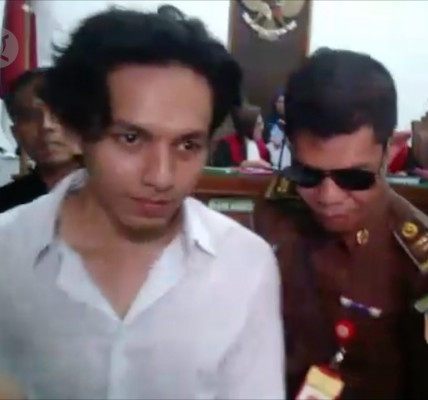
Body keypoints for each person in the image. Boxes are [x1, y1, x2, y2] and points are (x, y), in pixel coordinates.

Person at [0, 9, 284, 400]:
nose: (162, 177)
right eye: (131, 139)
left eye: (187, 144)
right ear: (78, 131)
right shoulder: (8, 252)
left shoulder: (244, 265)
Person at [254, 49, 428, 399]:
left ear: (390, 150)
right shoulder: (276, 210)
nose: (328, 197)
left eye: (353, 177)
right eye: (308, 173)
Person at [0, 69, 81, 212]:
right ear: (16, 133)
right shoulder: (5, 206)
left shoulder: (115, 192)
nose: (46, 125)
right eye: (31, 116)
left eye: (58, 112)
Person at [265, 90, 291, 169]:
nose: (282, 105)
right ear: (275, 103)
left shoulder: (292, 119)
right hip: (273, 154)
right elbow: (268, 138)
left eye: (284, 102)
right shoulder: (268, 120)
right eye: (280, 102)